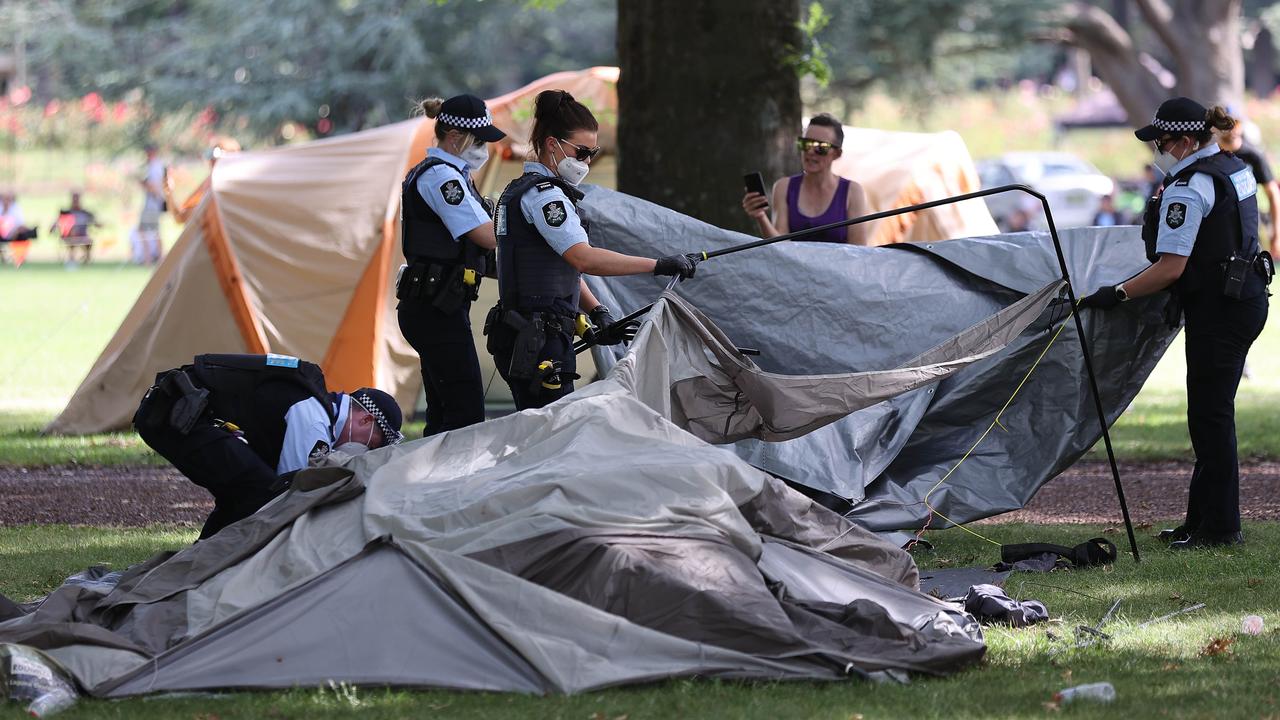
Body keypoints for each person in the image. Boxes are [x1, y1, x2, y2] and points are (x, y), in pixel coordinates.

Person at [1079, 97, 1271, 549]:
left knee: (1211, 417)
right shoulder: (1233, 165)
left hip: (1220, 311)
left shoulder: (1188, 188)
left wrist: (1118, 293)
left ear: (1185, 141)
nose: (1156, 151)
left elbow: (1171, 267)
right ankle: (1199, 522)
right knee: (1208, 415)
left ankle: (1221, 529)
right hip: (1244, 297)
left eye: (1161, 142)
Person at [485, 89, 700, 410]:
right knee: (554, 443)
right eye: (582, 152)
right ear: (552, 144)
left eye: (593, 152)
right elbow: (583, 258)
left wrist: (596, 311)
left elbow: (560, 267)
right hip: (538, 343)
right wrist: (659, 264)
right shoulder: (546, 198)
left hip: (532, 335)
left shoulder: (519, 190)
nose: (587, 161)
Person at [133, 353, 404, 539]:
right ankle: (212, 567)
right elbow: (291, 497)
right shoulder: (314, 420)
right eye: (375, 442)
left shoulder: (317, 406)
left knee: (245, 491)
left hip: (173, 410)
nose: (368, 450)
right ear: (366, 418)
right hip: (175, 414)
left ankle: (203, 562)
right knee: (262, 495)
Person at [397, 94, 503, 437]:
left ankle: (427, 486)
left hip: (440, 304)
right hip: (433, 309)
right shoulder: (443, 178)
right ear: (456, 137)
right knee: (465, 413)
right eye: (480, 141)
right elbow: (486, 236)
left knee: (445, 414)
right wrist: (531, 239)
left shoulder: (453, 175)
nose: (484, 149)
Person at [741, 113, 871, 245]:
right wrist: (760, 216)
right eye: (805, 144)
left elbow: (859, 251)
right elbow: (781, 247)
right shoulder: (783, 187)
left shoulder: (852, 191)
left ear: (837, 154)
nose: (810, 151)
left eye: (821, 147)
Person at [1218, 120, 1280, 257]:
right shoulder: (1212, 155)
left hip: (1247, 223)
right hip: (1218, 222)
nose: (1230, 129)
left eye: (1233, 123)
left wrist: (1276, 234)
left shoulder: (1253, 156)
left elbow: (1273, 193)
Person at [166, 136, 241, 224]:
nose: (211, 161)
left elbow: (181, 217)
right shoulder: (209, 185)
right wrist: (169, 193)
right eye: (211, 155)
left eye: (217, 155)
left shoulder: (241, 187)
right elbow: (181, 217)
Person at [133, 144, 167, 265]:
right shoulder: (155, 166)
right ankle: (152, 258)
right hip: (152, 203)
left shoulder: (155, 167)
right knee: (148, 230)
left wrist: (142, 183)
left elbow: (154, 187)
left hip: (152, 203)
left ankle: (154, 259)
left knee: (149, 231)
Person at [52, 192, 99, 265]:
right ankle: (72, 258)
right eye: (74, 198)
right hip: (69, 235)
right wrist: (54, 228)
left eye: (77, 199)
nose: (75, 201)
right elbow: (56, 223)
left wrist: (98, 224)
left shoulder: (85, 212)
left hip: (82, 235)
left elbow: (95, 223)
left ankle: (86, 259)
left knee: (88, 240)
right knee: (73, 232)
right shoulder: (66, 212)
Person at [0, 192, 38, 264]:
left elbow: (19, 224)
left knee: (23, 235)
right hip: (2, 233)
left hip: (14, 232)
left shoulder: (16, 208)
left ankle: (19, 258)